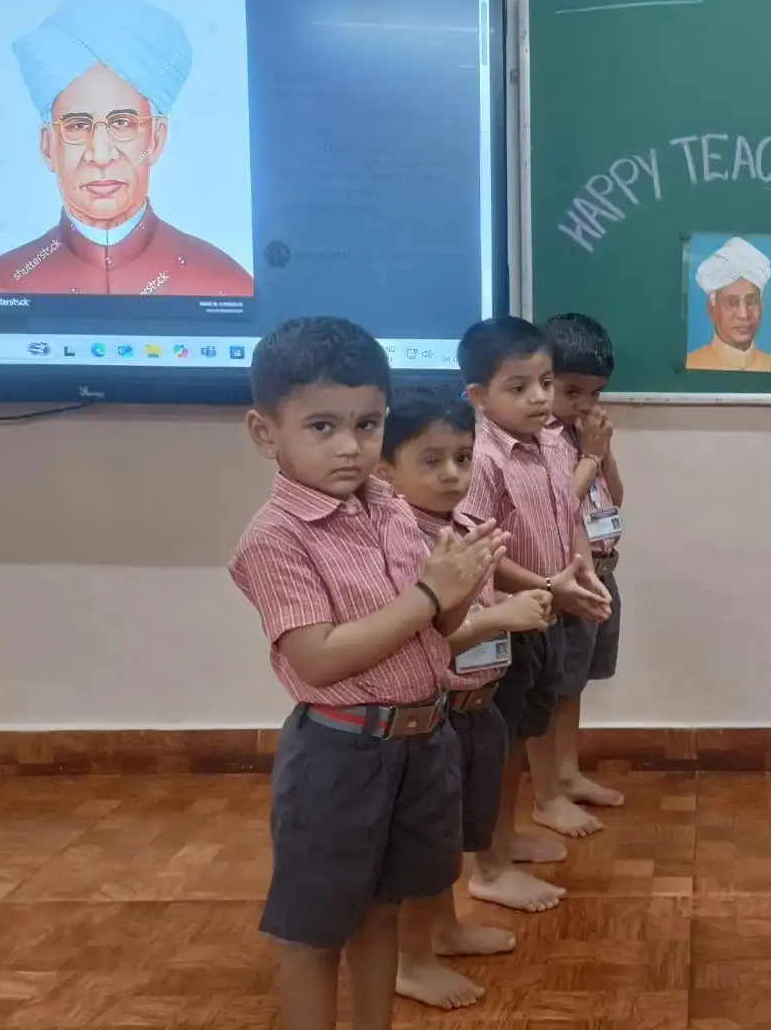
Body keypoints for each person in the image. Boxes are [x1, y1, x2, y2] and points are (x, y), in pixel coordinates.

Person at [227, 317, 499, 1030]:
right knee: (316, 928)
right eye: (321, 426)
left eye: (368, 424)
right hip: (339, 753)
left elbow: (430, 628)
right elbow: (316, 655)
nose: (350, 447)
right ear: (265, 434)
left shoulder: (385, 505)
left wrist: (460, 585)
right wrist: (430, 595)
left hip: (419, 740)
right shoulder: (274, 537)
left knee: (383, 911)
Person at [376, 388, 554, 1011]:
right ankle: (411, 960)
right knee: (422, 846)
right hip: (438, 712)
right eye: (430, 460)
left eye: (462, 457)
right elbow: (424, 639)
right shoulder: (397, 540)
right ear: (385, 469)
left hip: (478, 706)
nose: (452, 474)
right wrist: (496, 618)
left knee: (450, 836)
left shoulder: (459, 528)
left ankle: (444, 929)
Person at [456, 316, 614, 910]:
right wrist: (551, 583)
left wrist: (583, 573)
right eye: (518, 387)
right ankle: (488, 869)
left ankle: (507, 838)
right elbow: (482, 555)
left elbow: (567, 512)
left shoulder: (551, 440)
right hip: (503, 623)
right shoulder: (482, 459)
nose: (540, 398)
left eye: (544, 382)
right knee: (494, 747)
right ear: (477, 396)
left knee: (522, 738)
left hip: (545, 614)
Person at [0, 0, 253, 297]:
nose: (101, 155)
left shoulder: (225, 284)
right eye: (78, 126)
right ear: (48, 146)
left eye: (122, 122)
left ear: (156, 139)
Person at [541, 313, 628, 815]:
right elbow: (553, 510)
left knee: (575, 682)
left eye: (595, 394)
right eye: (572, 392)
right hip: (567, 577)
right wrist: (589, 459)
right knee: (554, 684)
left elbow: (613, 498)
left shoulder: (582, 438)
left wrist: (603, 455)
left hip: (601, 567)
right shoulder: (543, 439)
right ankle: (548, 788)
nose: (585, 405)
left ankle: (569, 773)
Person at [686, 236, 771, 372]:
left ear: (762, 305)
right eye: (732, 302)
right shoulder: (692, 365)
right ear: (712, 309)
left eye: (752, 301)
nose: (743, 314)